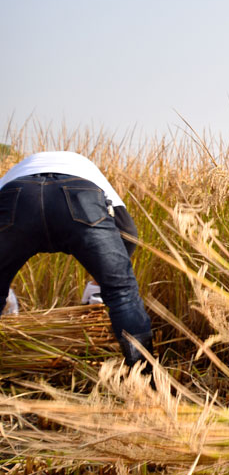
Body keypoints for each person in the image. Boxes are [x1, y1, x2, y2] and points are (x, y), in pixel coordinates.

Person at [0, 151, 154, 369]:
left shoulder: (12, 174)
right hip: (80, 195)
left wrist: (7, 293)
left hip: (18, 195)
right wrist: (98, 284)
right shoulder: (88, 169)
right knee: (123, 295)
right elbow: (128, 232)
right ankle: (145, 383)